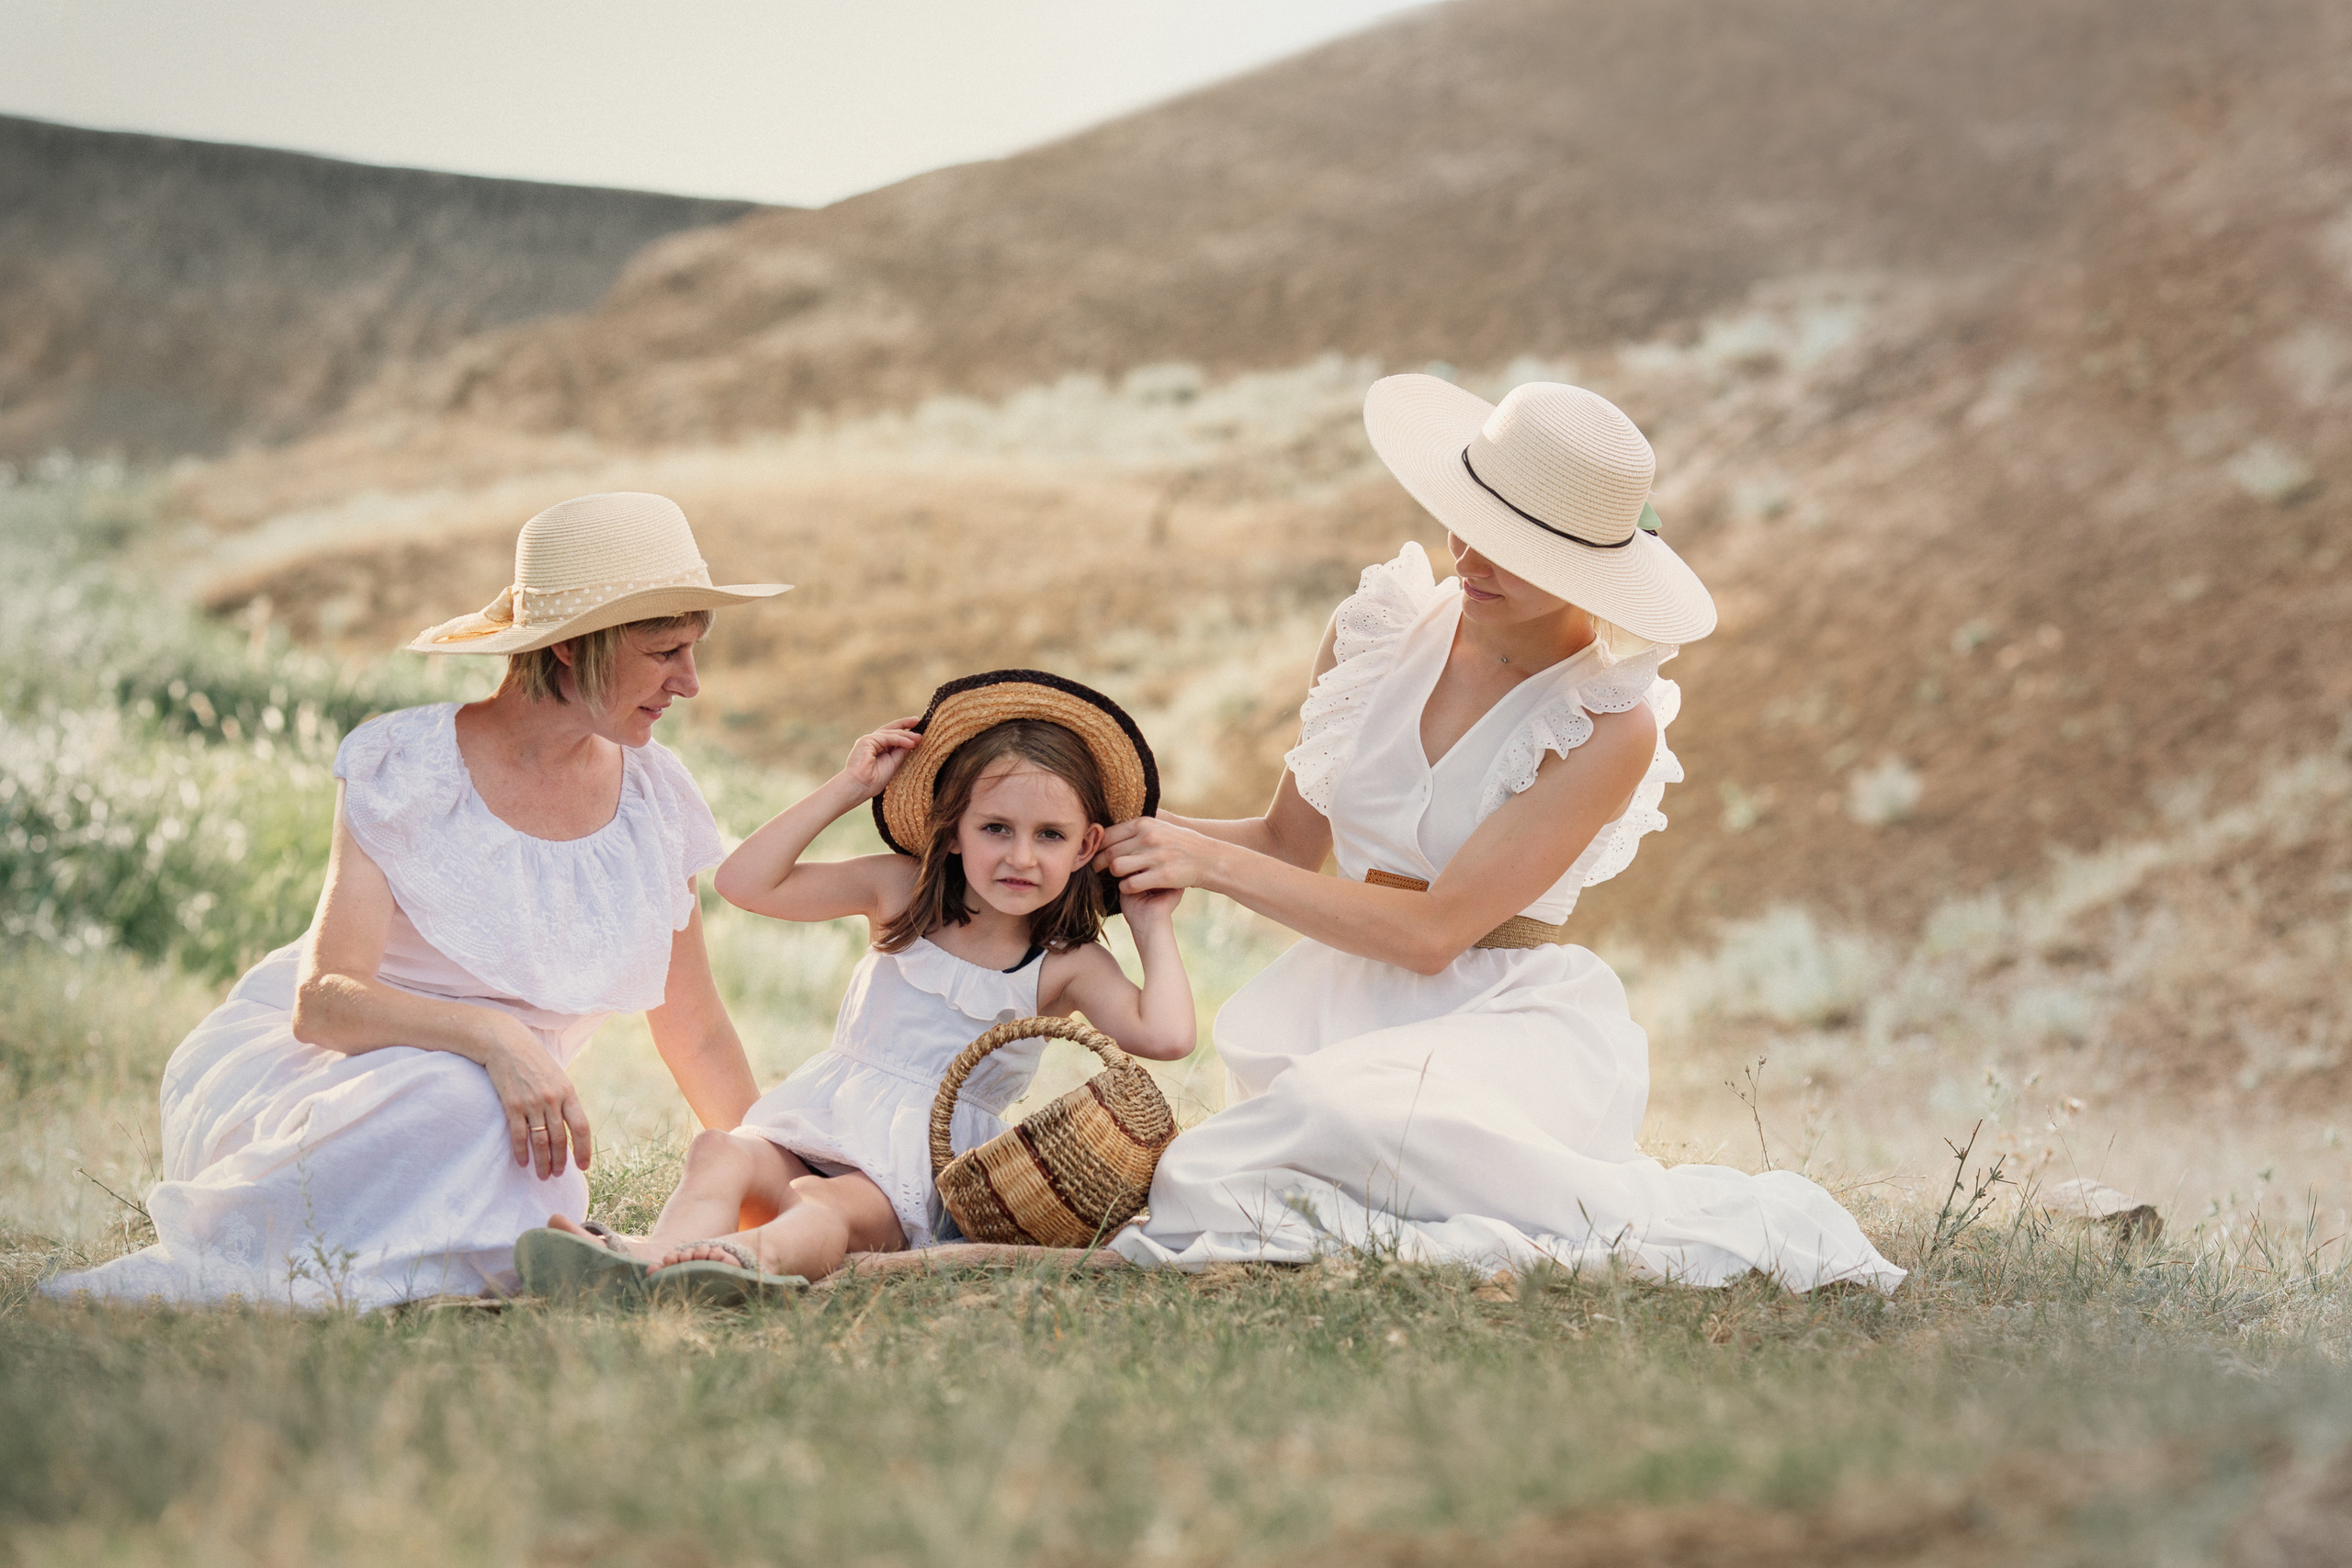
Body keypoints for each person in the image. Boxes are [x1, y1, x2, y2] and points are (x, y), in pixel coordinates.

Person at [1096, 377, 1905, 1293]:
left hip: (1501, 1020)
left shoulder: (1606, 723)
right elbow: (1284, 843)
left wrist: (1202, 863)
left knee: (1327, 1116)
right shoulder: (1377, 630)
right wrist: (1107, 834)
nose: (1471, 555)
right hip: (1339, 1006)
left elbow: (1435, 934)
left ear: (1583, 563)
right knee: (1229, 1163)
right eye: (1467, 518)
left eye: (1512, 546)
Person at [40, 492, 787, 1309]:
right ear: (573, 646)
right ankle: (270, 1265)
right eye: (665, 651)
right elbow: (323, 1003)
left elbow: (700, 1031)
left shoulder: (656, 800)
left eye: (693, 650)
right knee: (456, 1099)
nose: (691, 681)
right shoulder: (408, 764)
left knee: (497, 1131)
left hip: (501, 1120)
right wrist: (494, 1036)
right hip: (326, 1082)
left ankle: (442, 1258)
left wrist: (774, 1177)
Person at [518, 670, 1197, 1301]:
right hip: (820, 1117)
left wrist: (1150, 920)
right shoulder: (900, 891)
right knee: (718, 1149)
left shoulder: (1062, 961)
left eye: (1050, 835)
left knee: (826, 1208)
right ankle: (651, 1264)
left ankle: (734, 1264)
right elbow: (744, 884)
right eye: (996, 828)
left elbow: (1166, 1035)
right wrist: (849, 787)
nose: (1020, 856)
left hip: (908, 1168)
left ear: (1085, 848)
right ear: (954, 829)